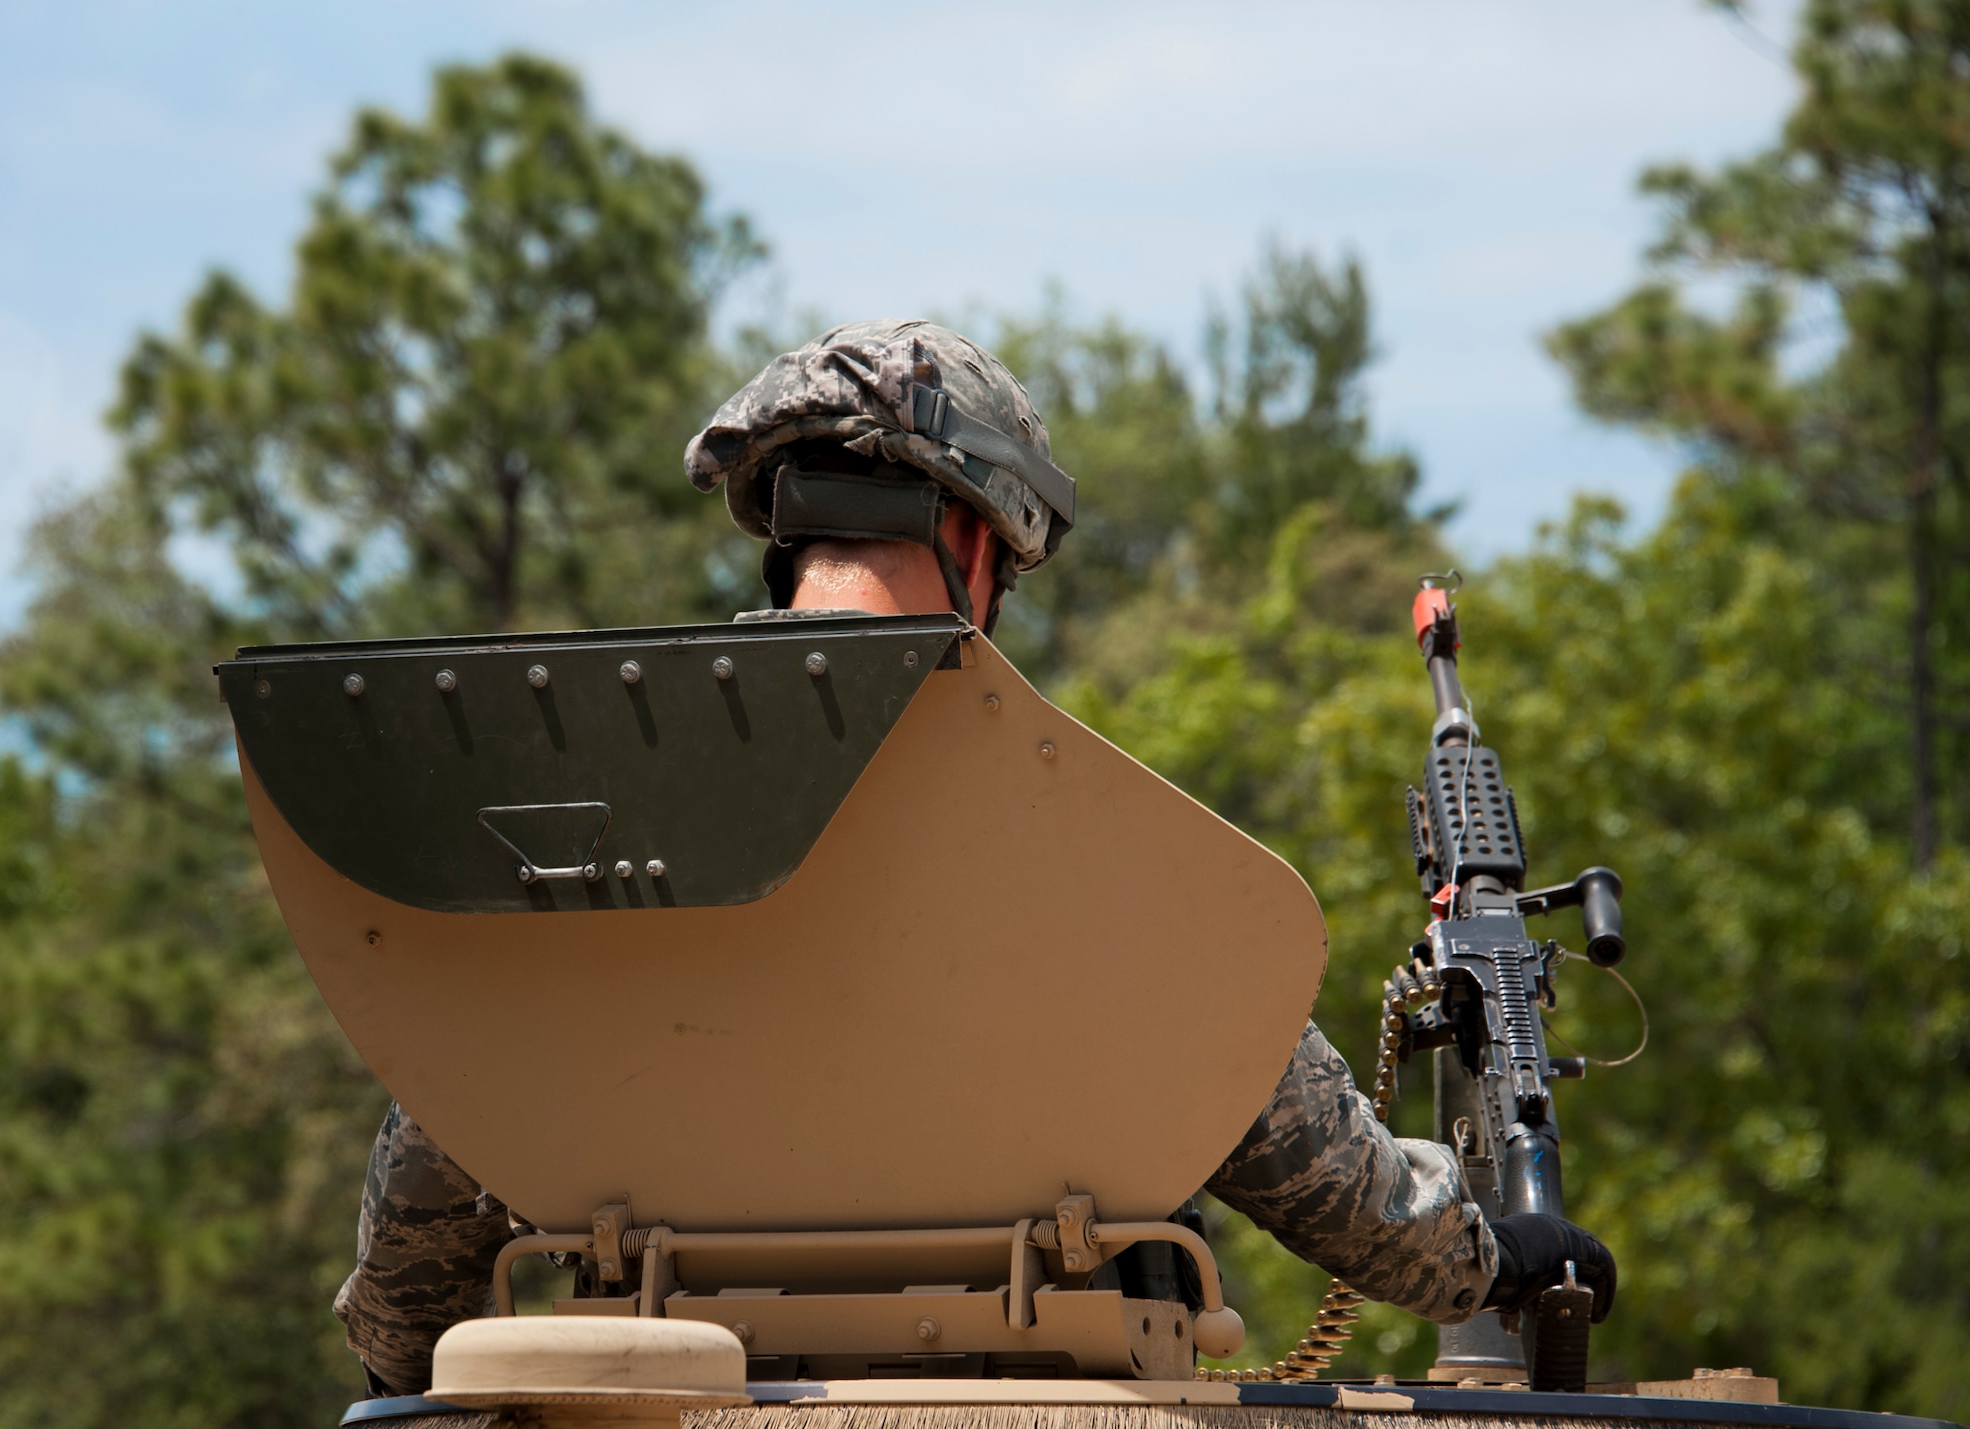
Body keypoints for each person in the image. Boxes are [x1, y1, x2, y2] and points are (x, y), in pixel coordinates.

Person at [335, 319, 1615, 1397]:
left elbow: (418, 1243)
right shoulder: (1068, 830)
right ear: (980, 542)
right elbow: (1320, 1169)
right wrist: (1498, 1253)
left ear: (786, 539)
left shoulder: (598, 816)